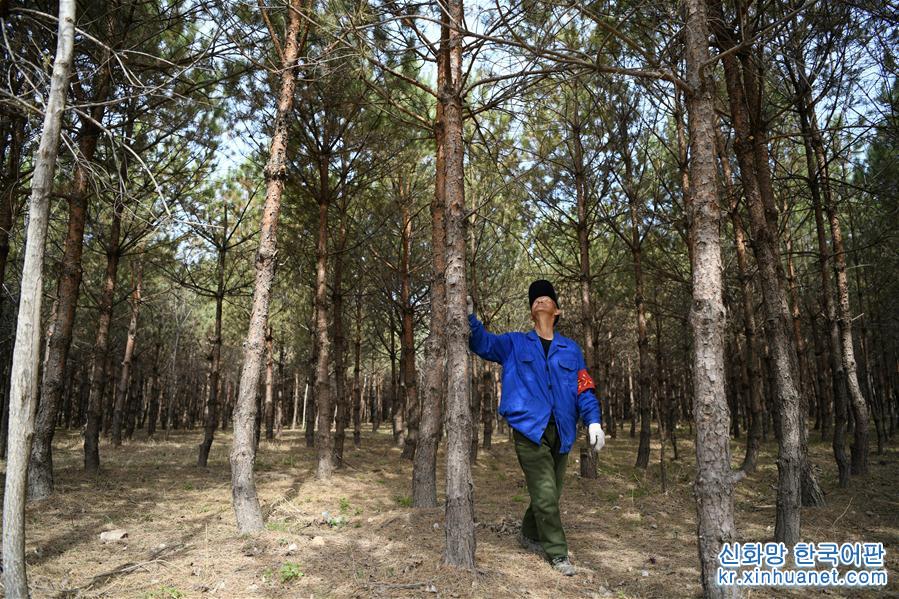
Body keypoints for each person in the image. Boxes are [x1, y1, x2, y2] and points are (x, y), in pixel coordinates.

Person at [468, 279, 604, 576]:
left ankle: (529, 534)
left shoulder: (571, 349)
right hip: (529, 429)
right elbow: (482, 342)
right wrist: (469, 317)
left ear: (557, 310)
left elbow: (584, 388)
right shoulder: (515, 343)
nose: (539, 300)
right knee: (544, 492)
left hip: (564, 430)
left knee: (550, 493)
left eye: (546, 297)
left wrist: (593, 421)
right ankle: (557, 553)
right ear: (531, 311)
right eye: (534, 299)